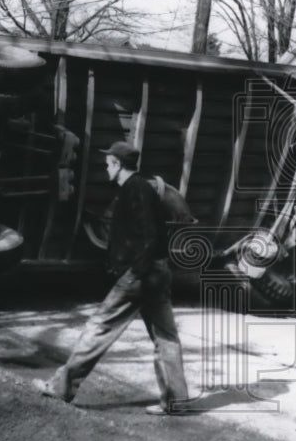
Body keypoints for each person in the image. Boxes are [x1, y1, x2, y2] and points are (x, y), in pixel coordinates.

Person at [35, 141, 191, 414]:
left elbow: (149, 235)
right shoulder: (140, 188)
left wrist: (135, 272)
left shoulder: (135, 190)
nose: (106, 168)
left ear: (118, 165)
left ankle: (60, 388)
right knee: (166, 337)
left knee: (99, 328)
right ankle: (176, 401)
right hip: (157, 272)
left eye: (108, 163)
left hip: (143, 275)